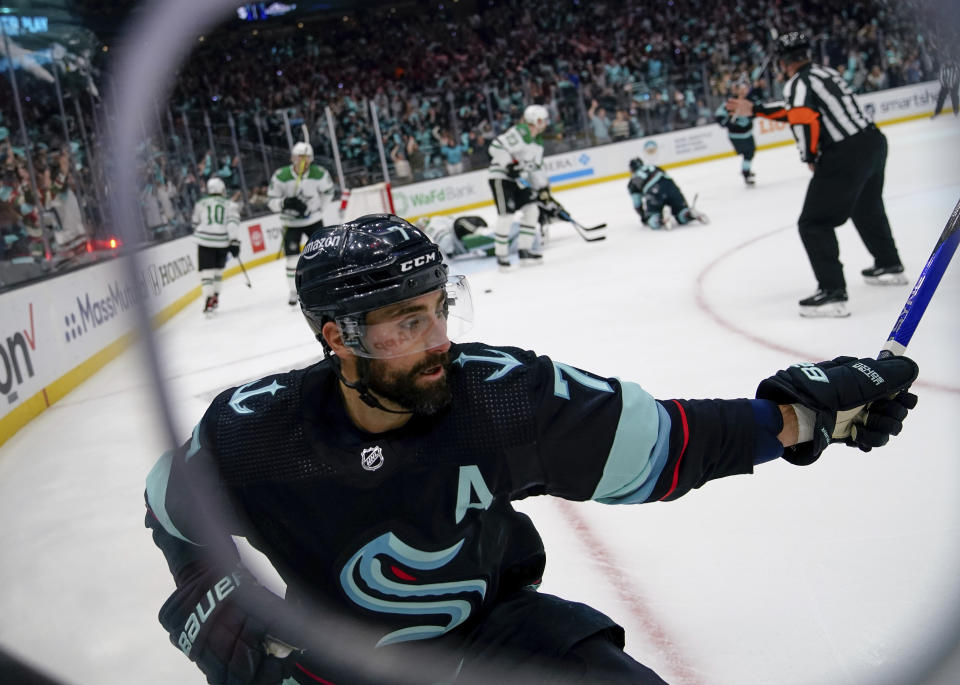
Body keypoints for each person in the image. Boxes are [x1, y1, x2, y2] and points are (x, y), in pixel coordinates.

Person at [144, 213, 919, 685]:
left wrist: (803, 421)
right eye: (405, 323)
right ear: (336, 338)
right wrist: (208, 586)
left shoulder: (498, 395)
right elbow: (168, 502)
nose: (438, 340)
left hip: (498, 640)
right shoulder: (255, 431)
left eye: (440, 309)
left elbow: (666, 444)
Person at [727, 31, 908, 318]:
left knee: (814, 223)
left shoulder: (797, 83)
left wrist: (810, 155)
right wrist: (757, 109)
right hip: (873, 142)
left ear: (783, 62)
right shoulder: (823, 73)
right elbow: (799, 109)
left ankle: (833, 293)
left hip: (845, 152)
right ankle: (889, 264)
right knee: (867, 206)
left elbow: (804, 117)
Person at [267, 141, 335, 306]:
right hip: (291, 223)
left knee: (323, 255)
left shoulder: (319, 173)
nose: (302, 161)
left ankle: (326, 286)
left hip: (314, 220)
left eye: (306, 158)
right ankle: (293, 291)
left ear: (311, 159)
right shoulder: (280, 176)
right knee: (291, 260)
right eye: (299, 157)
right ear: (292, 158)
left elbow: (329, 192)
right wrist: (285, 203)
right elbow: (271, 201)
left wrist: (319, 209)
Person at [487, 104, 552, 270]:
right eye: (542, 119)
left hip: (517, 181)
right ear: (535, 120)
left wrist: (543, 188)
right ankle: (501, 255)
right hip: (501, 177)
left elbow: (534, 169)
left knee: (532, 210)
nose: (545, 122)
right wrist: (508, 164)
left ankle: (525, 250)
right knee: (506, 216)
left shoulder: (537, 143)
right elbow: (495, 147)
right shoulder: (520, 132)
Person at [191, 177, 240, 314]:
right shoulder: (230, 204)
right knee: (218, 271)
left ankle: (208, 298)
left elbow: (195, 223)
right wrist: (234, 241)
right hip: (222, 242)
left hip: (204, 240)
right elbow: (232, 223)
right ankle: (216, 296)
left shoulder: (201, 203)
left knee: (206, 273)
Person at [627, 157, 708, 229]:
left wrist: (644, 217)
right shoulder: (654, 167)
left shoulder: (632, 181)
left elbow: (637, 203)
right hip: (669, 184)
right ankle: (689, 213)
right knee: (681, 214)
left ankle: (661, 219)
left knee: (653, 218)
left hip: (653, 190)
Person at [715, 79, 761, 185]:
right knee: (747, 153)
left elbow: (758, 109)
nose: (744, 90)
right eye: (742, 88)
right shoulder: (730, 103)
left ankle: (746, 171)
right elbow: (719, 116)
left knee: (750, 152)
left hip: (747, 133)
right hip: (737, 135)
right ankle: (746, 173)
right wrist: (727, 122)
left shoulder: (749, 99)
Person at [415, 214, 495, 260]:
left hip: (460, 229)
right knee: (478, 229)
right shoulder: (437, 220)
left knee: (468, 226)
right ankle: (491, 234)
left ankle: (487, 233)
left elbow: (444, 237)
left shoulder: (431, 225)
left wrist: (449, 252)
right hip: (465, 226)